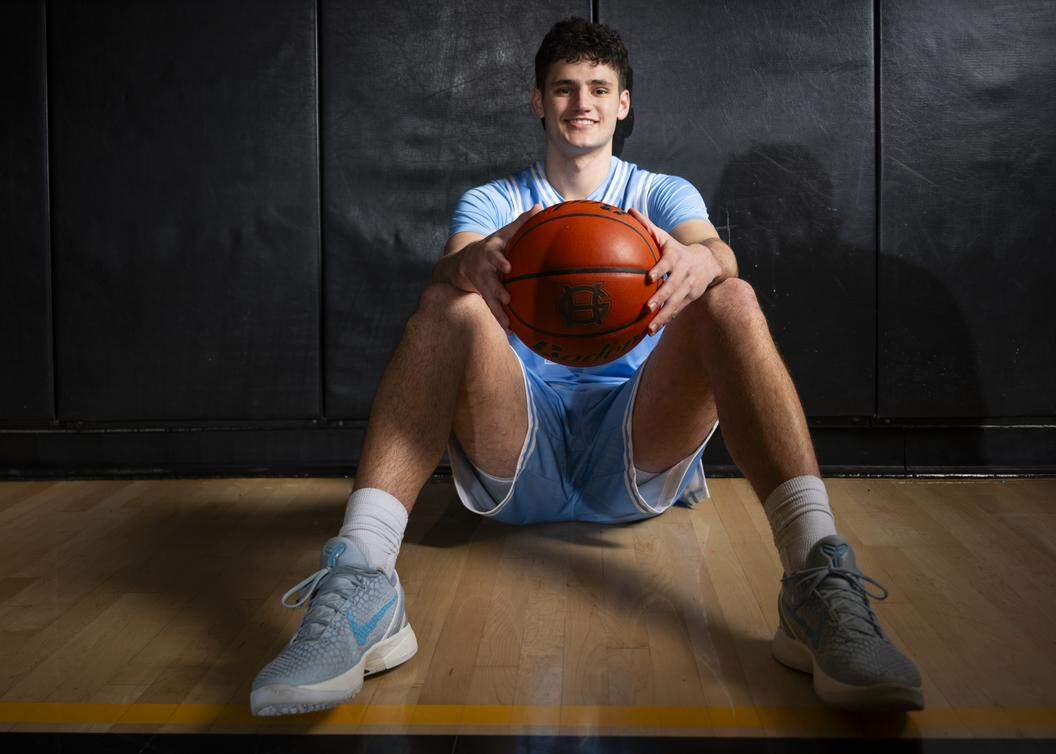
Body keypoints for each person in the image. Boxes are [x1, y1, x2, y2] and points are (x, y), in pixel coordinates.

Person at [250, 16, 923, 717]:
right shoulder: (495, 201)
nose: (582, 103)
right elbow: (454, 259)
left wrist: (706, 260)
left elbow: (712, 249)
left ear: (623, 103)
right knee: (447, 305)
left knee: (735, 298)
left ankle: (818, 582)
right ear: (537, 101)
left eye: (600, 88)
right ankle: (363, 580)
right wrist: (467, 264)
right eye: (564, 88)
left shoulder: (661, 193)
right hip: (518, 437)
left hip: (634, 436)